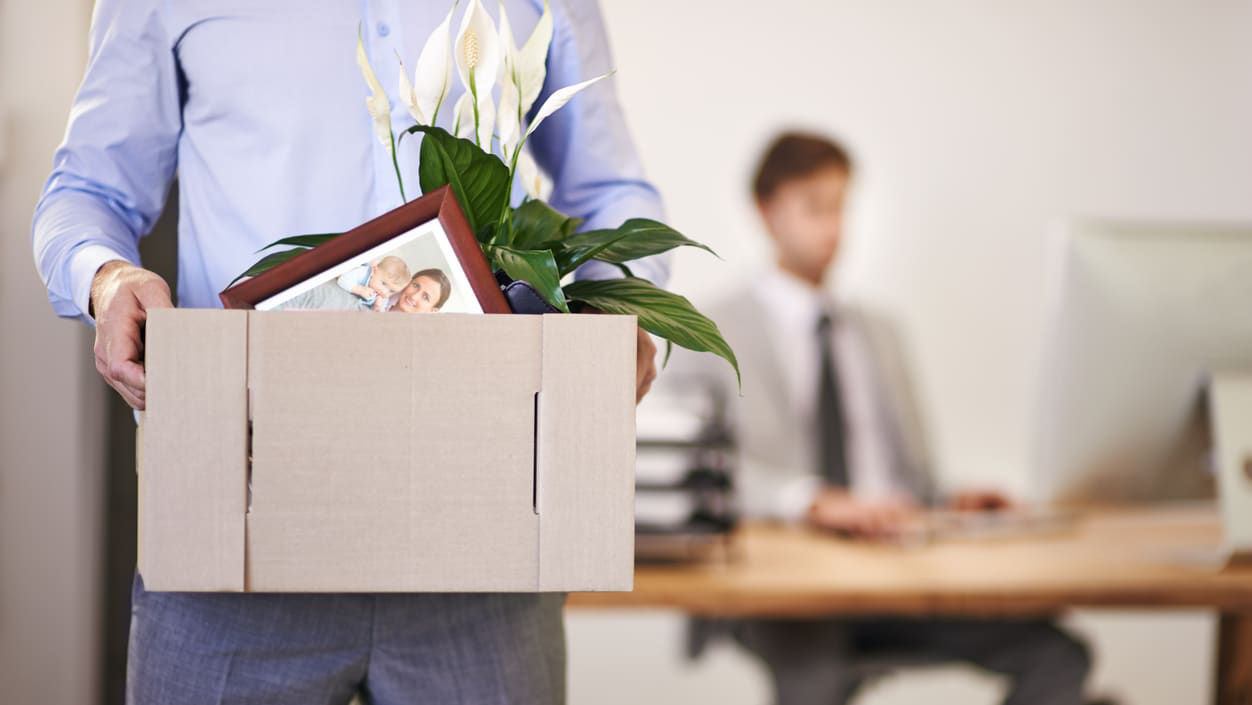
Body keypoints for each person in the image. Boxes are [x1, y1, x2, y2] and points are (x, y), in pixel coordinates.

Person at [30, 2, 663, 703]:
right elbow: (87, 190)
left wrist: (618, 312)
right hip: (231, 519)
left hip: (485, 526)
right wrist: (107, 278)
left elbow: (609, 190)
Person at [665, 132, 1093, 705]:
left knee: (1058, 655)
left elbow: (913, 481)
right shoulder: (704, 330)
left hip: (897, 572)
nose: (833, 226)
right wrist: (812, 501)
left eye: (840, 205)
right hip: (785, 584)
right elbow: (692, 472)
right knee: (814, 678)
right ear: (767, 213)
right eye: (813, 206)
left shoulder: (882, 335)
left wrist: (955, 500)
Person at [336, 256, 411, 311]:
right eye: (384, 283)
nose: (384, 291)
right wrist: (359, 289)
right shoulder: (363, 273)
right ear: (374, 271)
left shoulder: (382, 297)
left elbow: (379, 313)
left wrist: (377, 307)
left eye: (391, 291)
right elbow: (342, 280)